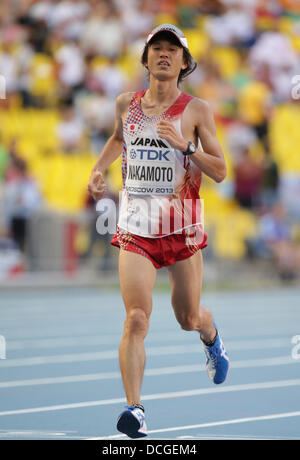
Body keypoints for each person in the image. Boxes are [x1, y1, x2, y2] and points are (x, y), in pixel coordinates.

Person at [87, 24, 229, 439]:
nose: (163, 54)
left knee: (187, 317)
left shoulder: (197, 110)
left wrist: (187, 148)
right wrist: (98, 170)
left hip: (181, 230)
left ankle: (211, 335)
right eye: (156, 49)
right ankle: (136, 409)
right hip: (135, 229)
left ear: (185, 62)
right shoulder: (125, 104)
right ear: (145, 59)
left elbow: (220, 172)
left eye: (172, 49)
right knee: (135, 319)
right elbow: (118, 139)